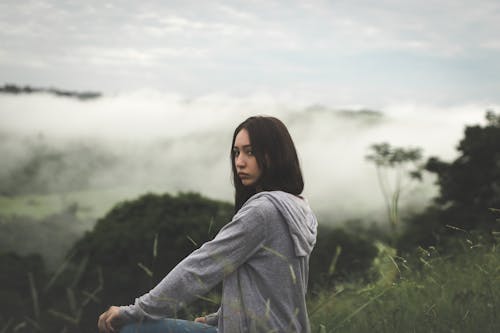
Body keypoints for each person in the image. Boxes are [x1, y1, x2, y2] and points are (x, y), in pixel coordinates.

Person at [97, 116, 318, 333]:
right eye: (236, 152)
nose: (239, 162)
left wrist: (136, 311)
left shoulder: (263, 212)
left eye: (250, 152)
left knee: (131, 328)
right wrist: (219, 318)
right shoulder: (298, 208)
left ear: (273, 155)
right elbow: (276, 288)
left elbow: (199, 269)